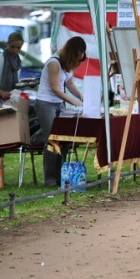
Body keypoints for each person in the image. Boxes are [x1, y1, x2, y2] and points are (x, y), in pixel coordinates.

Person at [36, 36, 86, 186]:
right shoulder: (54, 63)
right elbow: (55, 88)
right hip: (46, 103)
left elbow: (69, 82)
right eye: (77, 58)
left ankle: (61, 175)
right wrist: (75, 102)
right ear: (72, 53)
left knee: (63, 139)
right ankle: (50, 179)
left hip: (58, 104)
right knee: (52, 140)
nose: (78, 62)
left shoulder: (66, 65)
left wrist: (82, 96)